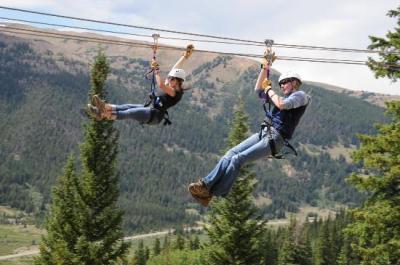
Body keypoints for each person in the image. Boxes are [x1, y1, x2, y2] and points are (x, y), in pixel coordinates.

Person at [188, 66, 311, 206]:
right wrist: (265, 68)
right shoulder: (280, 97)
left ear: (294, 82)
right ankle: (206, 184)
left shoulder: (301, 96)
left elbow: (281, 104)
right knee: (231, 153)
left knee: (237, 159)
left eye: (285, 82)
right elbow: (258, 89)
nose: (282, 86)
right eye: (280, 84)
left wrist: (269, 89)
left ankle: (213, 193)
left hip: (275, 138)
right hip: (265, 133)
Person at [88, 44, 194, 125]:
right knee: (126, 106)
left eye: (171, 78)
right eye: (170, 78)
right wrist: (184, 57)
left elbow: (161, 85)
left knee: (129, 112)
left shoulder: (175, 92)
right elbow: (175, 69)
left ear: (178, 81)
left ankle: (102, 114)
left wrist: (156, 70)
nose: (169, 79)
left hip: (155, 115)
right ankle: (102, 108)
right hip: (151, 108)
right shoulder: (172, 85)